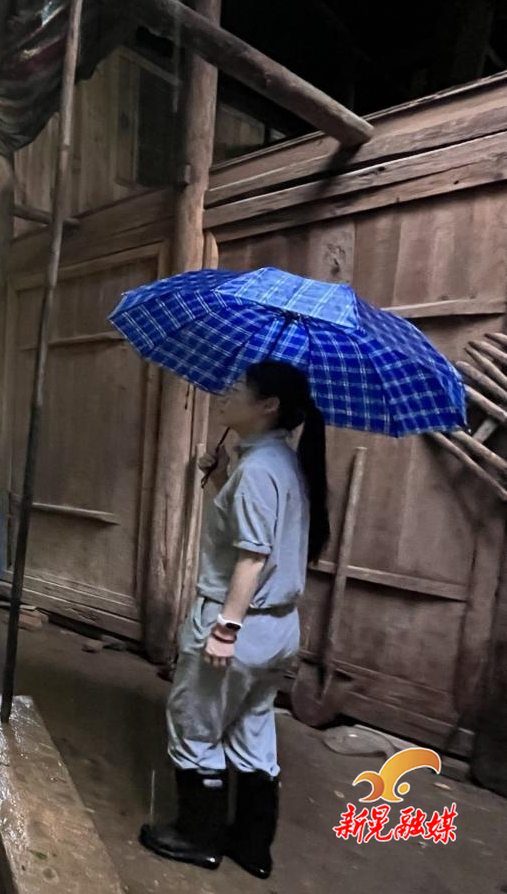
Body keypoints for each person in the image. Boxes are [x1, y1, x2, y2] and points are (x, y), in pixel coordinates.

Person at [139, 361, 329, 880]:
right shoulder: (281, 463)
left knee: (194, 726)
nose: (225, 392)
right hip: (276, 630)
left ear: (268, 406)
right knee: (252, 727)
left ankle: (198, 837)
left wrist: (225, 628)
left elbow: (252, 556)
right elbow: (248, 531)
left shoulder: (259, 471)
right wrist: (219, 476)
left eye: (239, 387)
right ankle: (252, 845)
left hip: (239, 627)